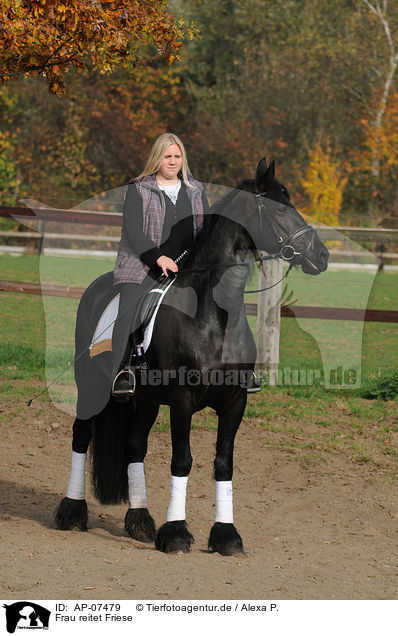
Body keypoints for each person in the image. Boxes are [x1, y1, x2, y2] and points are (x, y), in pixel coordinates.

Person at [111, 132, 208, 396]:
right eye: (168, 156)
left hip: (187, 267)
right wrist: (157, 258)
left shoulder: (196, 190)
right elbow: (132, 229)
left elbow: (203, 229)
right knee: (130, 310)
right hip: (144, 265)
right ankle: (124, 369)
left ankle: (236, 364)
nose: (173, 161)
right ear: (157, 157)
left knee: (222, 299)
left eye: (177, 156)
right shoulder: (139, 188)